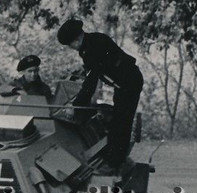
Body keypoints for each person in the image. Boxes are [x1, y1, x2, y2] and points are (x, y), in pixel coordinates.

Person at [57, 18, 143, 175]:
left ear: (76, 39)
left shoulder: (91, 49)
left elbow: (90, 83)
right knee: (118, 121)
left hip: (129, 82)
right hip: (123, 83)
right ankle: (117, 159)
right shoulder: (94, 41)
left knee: (121, 122)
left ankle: (115, 164)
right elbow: (95, 70)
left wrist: (75, 107)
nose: (72, 48)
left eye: (70, 45)